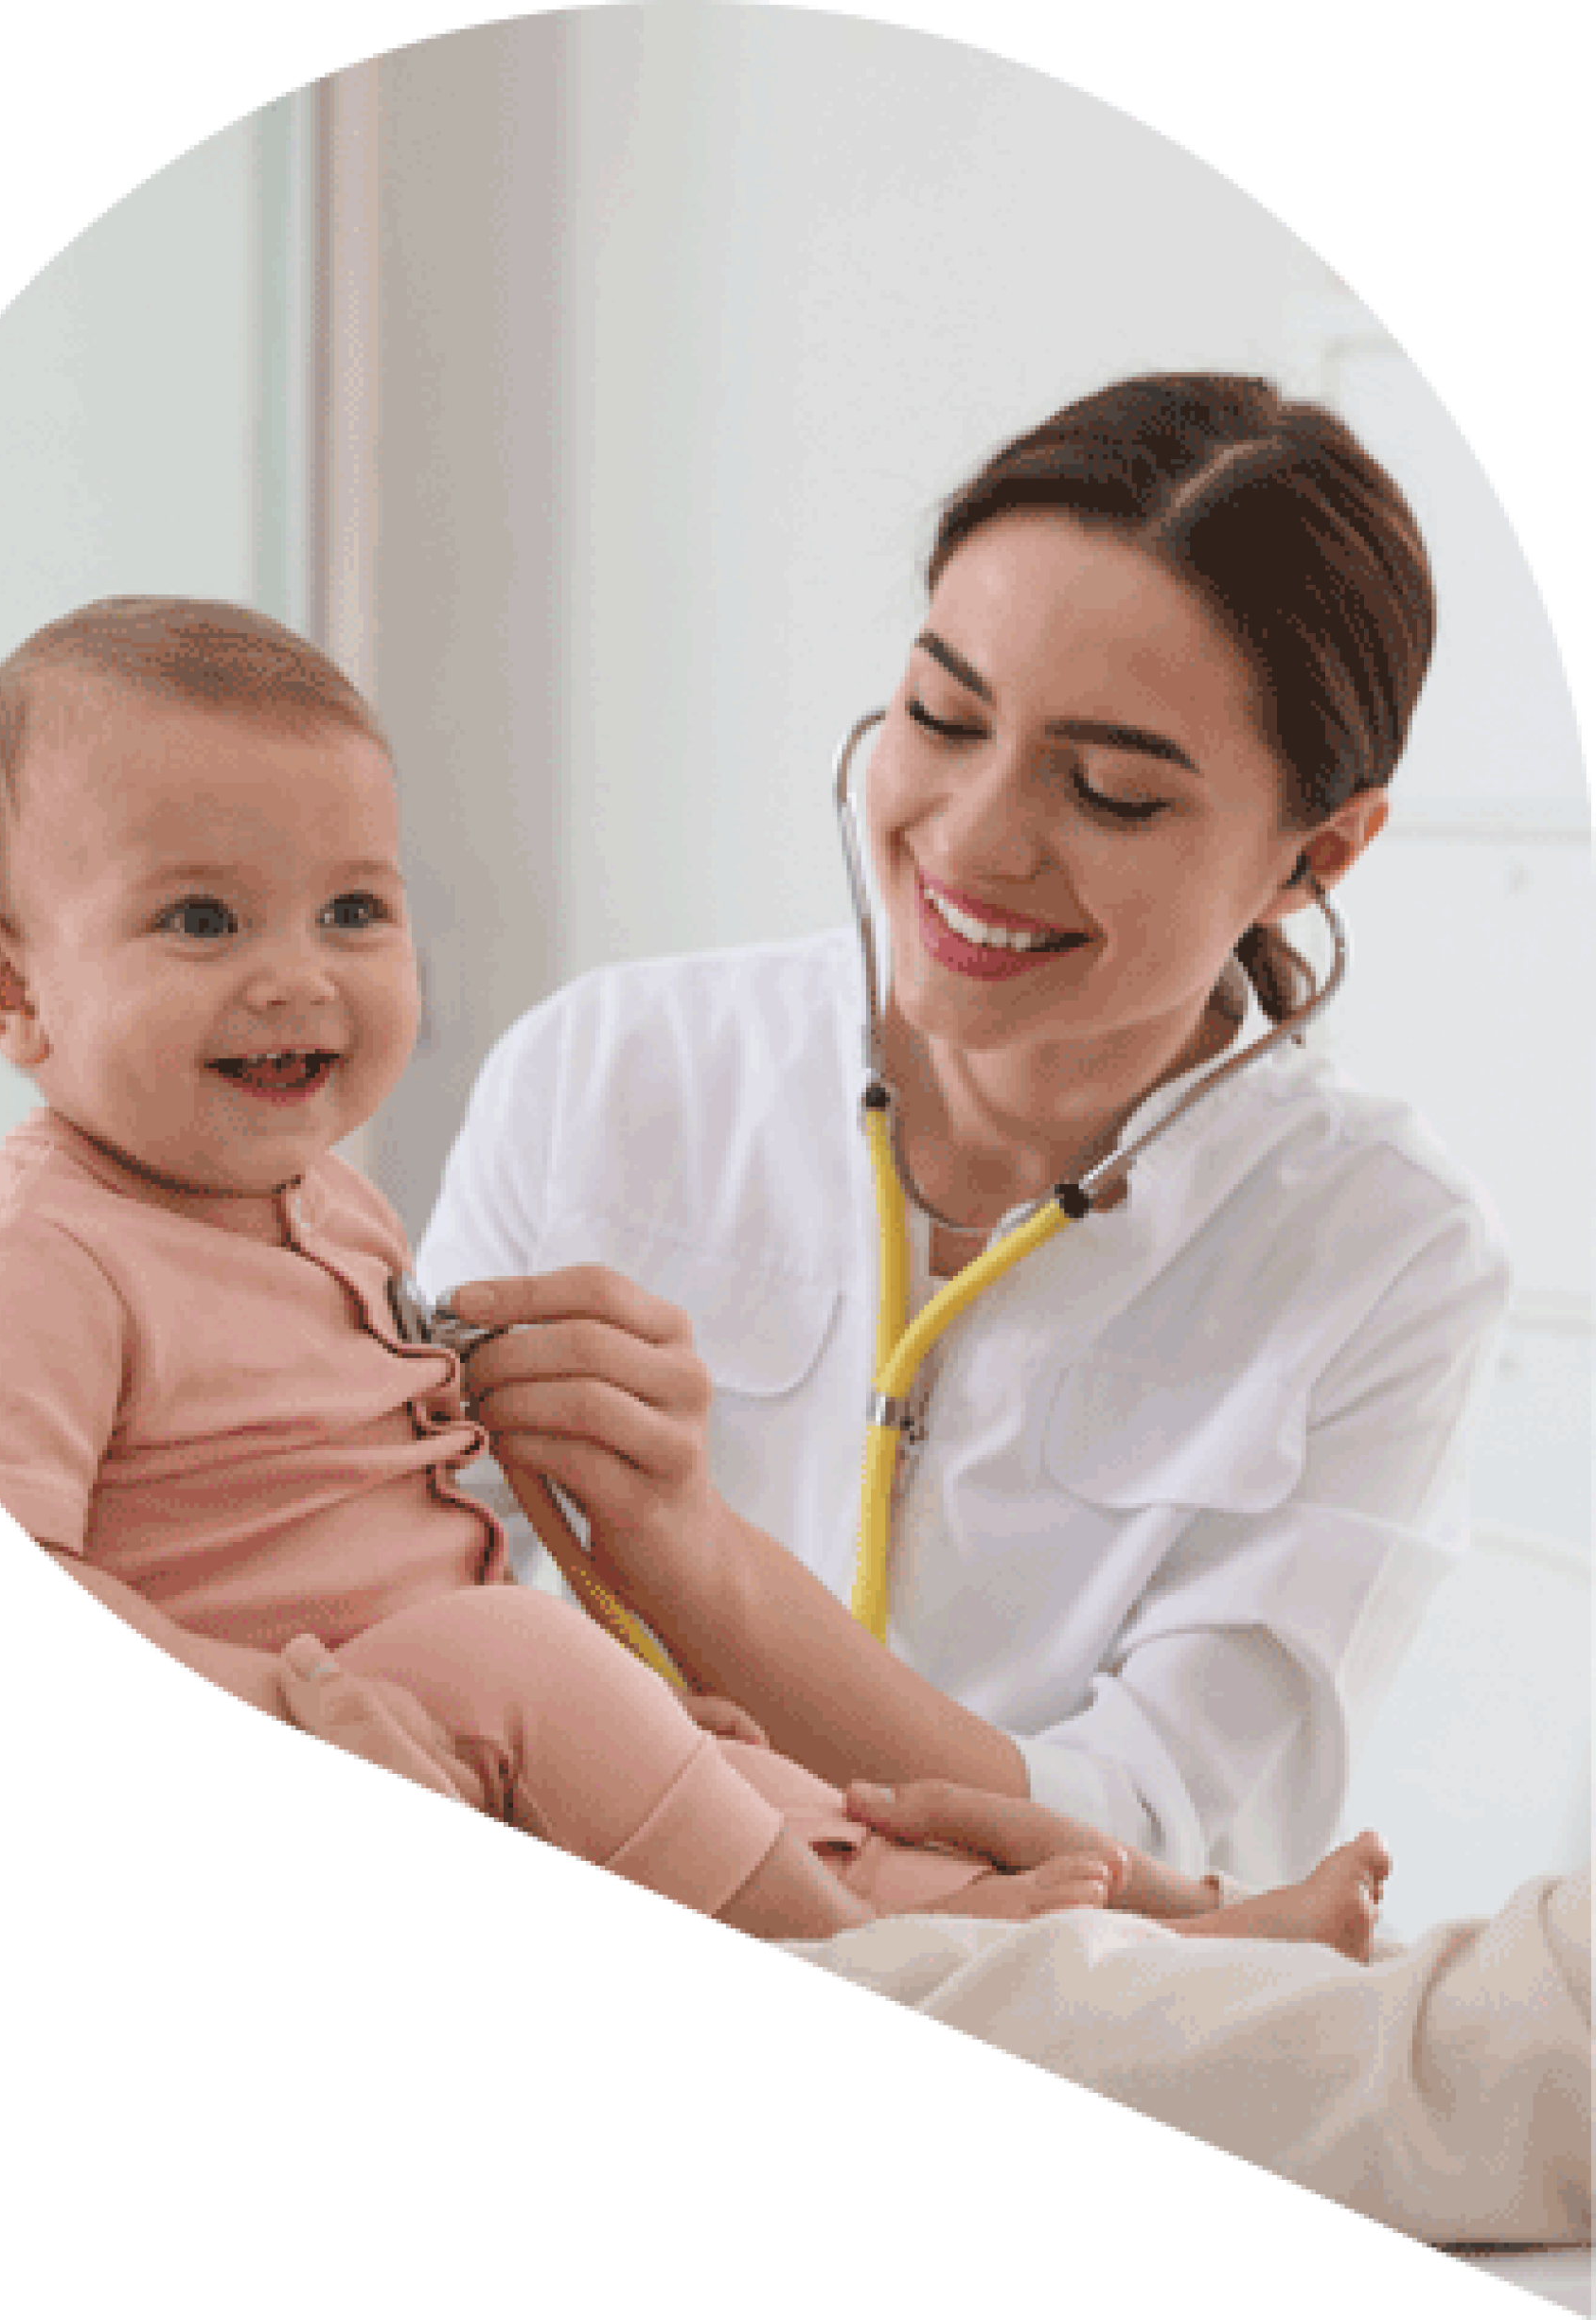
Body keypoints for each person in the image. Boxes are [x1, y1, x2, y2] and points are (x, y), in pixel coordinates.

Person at [0, 594, 1391, 1949]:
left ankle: (1175, 1936)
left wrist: (632, 1674)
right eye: (201, 918)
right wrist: (289, 1696)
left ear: (1309, 855)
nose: (298, 971)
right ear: (10, 988)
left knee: (747, 1761)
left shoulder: (330, 1209)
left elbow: (443, 1522)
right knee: (533, 1659)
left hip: (479, 1720)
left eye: (354, 909)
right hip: (357, 1708)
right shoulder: (25, 1266)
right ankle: (877, 1960)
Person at [417, 372, 1515, 1896]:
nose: (975, 838)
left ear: (1315, 854)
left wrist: (694, 1554)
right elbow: (387, 1574)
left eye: (1114, 792)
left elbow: (1142, 1843)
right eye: (941, 715)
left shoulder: (1384, 1251)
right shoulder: (610, 1067)